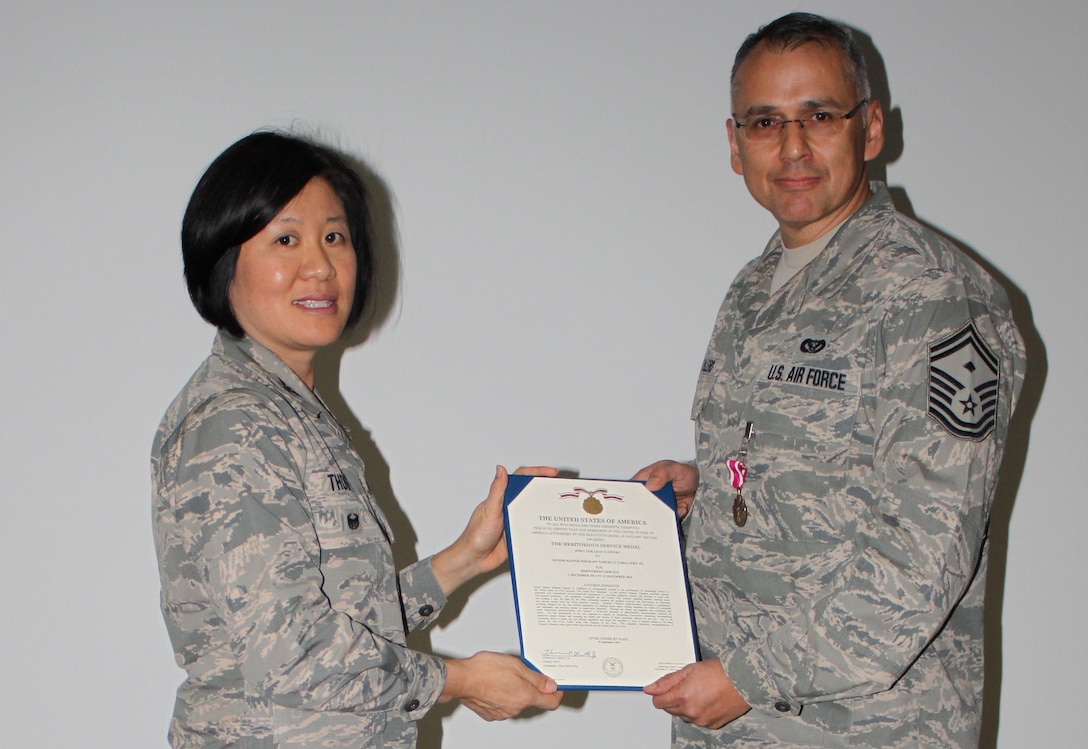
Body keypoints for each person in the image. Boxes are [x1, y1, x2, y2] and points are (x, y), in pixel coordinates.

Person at [635, 12, 1026, 748]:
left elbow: (922, 556)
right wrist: (710, 491)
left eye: (818, 116)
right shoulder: (754, 290)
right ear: (733, 144)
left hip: (864, 730)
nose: (791, 148)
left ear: (870, 129)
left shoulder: (933, 298)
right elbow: (812, 472)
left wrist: (747, 675)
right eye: (764, 122)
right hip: (736, 728)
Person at [151, 131, 561, 748]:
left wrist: (462, 561)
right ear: (223, 259)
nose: (320, 265)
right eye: (285, 239)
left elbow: (342, 617)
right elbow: (292, 653)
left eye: (334, 237)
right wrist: (458, 680)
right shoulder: (235, 424)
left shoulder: (291, 412)